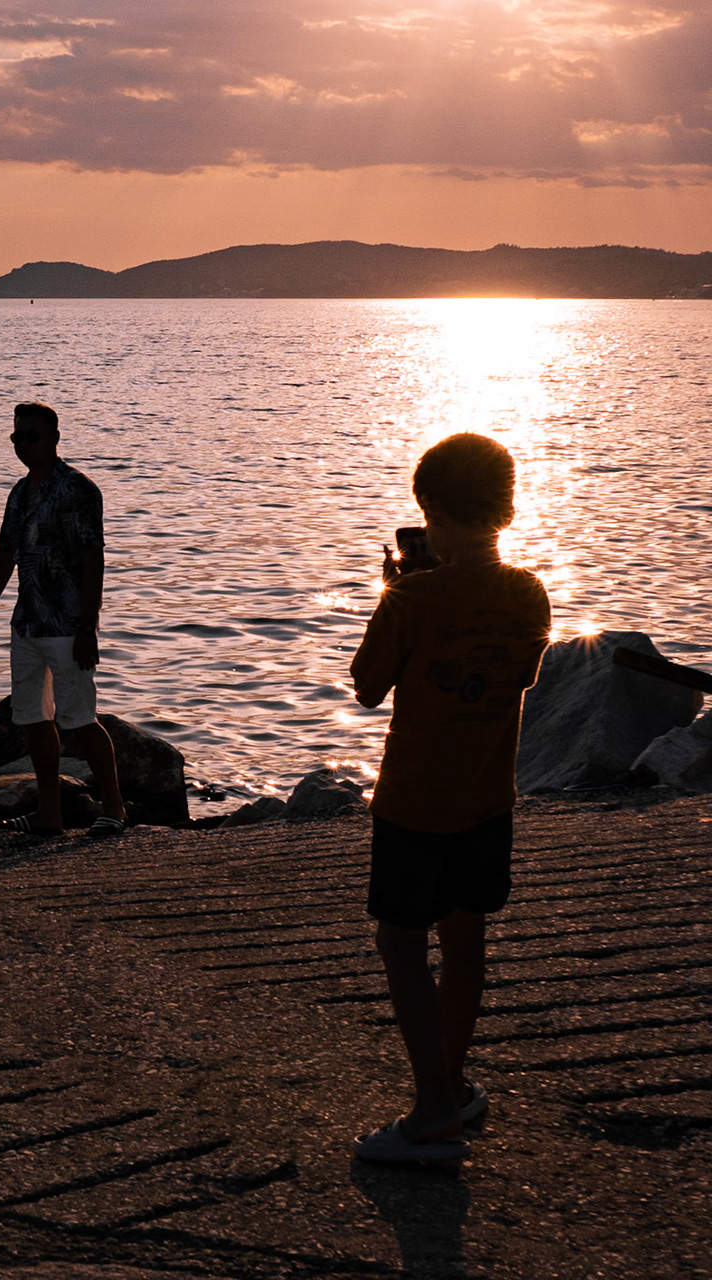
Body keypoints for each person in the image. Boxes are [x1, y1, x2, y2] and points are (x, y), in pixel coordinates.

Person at [348, 433, 551, 1164]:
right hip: (488, 800)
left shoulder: (413, 596)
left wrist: (393, 589)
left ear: (428, 506)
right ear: (505, 506)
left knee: (401, 943)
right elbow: (518, 676)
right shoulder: (530, 593)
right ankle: (454, 1082)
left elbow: (368, 686)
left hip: (413, 803)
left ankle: (433, 1106)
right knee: (466, 941)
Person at [0, 402, 129, 838]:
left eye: (31, 436)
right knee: (33, 721)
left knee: (81, 720)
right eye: (16, 437)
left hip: (68, 627)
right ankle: (49, 814)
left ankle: (115, 807)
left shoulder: (80, 490)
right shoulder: (19, 493)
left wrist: (88, 627)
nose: (22, 445)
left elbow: (94, 560)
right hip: (27, 625)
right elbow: (4, 558)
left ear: (53, 437)